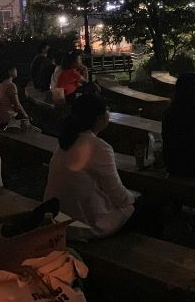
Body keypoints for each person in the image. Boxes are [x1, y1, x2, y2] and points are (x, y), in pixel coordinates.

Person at [44, 93, 137, 238]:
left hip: (56, 218)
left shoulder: (66, 140)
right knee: (138, 208)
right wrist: (134, 197)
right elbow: (118, 196)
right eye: (107, 109)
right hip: (82, 226)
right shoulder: (100, 147)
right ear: (99, 118)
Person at [0, 65, 30, 131]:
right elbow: (17, 105)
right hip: (6, 120)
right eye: (15, 69)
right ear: (10, 71)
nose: (16, 71)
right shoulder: (11, 85)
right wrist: (26, 116)